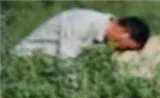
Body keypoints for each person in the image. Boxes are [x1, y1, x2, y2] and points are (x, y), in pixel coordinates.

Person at [12, 8, 150, 59]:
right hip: (25, 63)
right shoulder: (83, 23)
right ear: (125, 32)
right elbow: (65, 63)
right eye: (125, 47)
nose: (120, 51)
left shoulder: (102, 39)